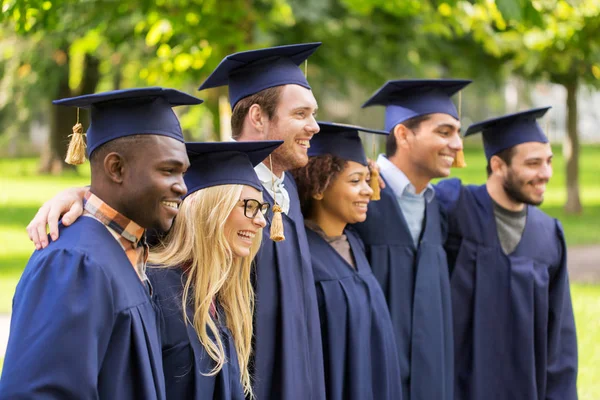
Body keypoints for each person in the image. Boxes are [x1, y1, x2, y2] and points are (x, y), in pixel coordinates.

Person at [26, 43, 327, 400]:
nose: (314, 126)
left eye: (183, 172)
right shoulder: (122, 265)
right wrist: (83, 196)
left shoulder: (287, 191)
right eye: (301, 113)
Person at [0, 87, 202, 399]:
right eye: (168, 171)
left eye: (183, 173)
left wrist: (81, 192)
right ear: (116, 168)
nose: (182, 187)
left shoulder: (128, 248)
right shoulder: (74, 263)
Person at [435, 107, 578, 400]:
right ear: (498, 165)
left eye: (549, 162)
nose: (546, 174)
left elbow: (559, 341)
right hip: (455, 388)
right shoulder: (453, 209)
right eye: (534, 163)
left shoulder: (549, 235)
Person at [352, 79, 471, 400]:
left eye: (457, 133)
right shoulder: (358, 201)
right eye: (444, 132)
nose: (458, 144)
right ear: (403, 134)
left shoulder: (436, 207)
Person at [147, 140, 282, 400]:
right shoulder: (153, 287)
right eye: (250, 206)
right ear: (209, 210)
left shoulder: (218, 294)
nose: (261, 221)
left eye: (261, 208)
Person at [290, 121, 403, 400]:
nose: (368, 190)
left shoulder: (354, 244)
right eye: (355, 181)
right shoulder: (301, 257)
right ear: (318, 186)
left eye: (368, 180)